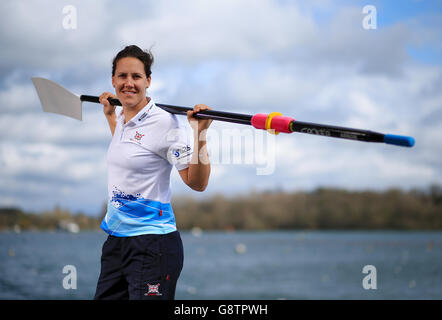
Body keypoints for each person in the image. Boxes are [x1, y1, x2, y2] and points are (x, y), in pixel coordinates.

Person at [94, 45, 212, 300]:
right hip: (116, 242)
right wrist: (111, 117)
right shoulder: (123, 119)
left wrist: (200, 132)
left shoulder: (164, 123)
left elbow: (197, 183)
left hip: (152, 245)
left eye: (136, 77)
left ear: (148, 81)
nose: (128, 83)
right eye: (122, 76)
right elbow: (133, 152)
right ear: (113, 80)